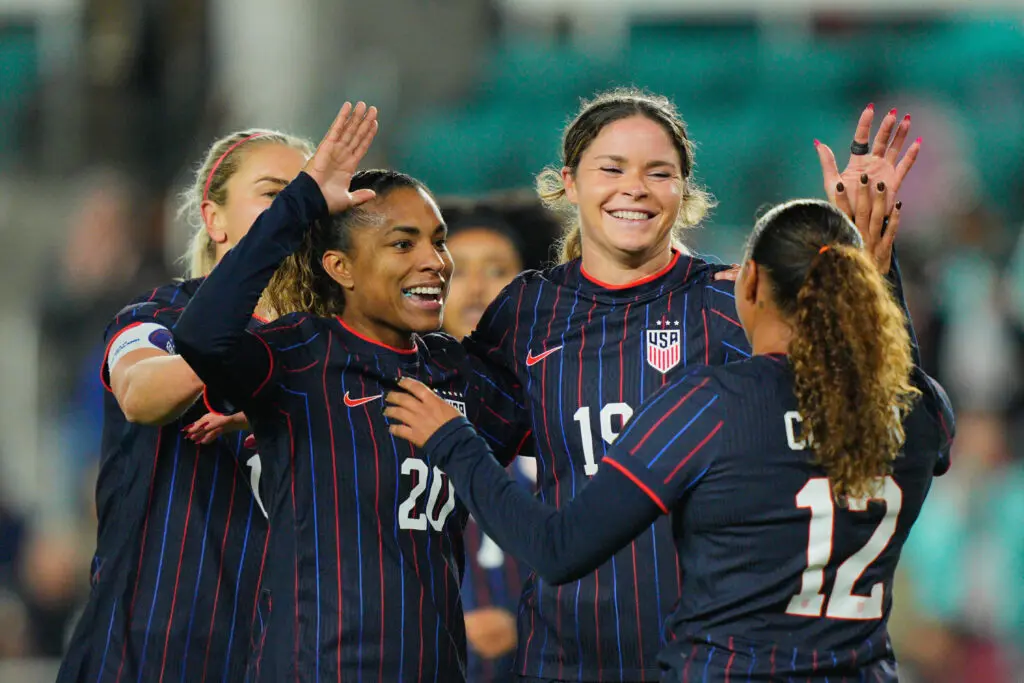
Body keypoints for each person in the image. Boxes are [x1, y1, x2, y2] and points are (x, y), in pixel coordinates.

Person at [445, 88, 920, 682]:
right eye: (612, 168)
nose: (635, 187)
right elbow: (473, 458)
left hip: (711, 659)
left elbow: (876, 393)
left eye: (658, 172)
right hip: (565, 658)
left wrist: (867, 259)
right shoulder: (526, 310)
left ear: (685, 187)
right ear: (569, 182)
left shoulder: (734, 302)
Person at [171, 102, 530, 682]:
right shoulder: (298, 354)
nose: (435, 262)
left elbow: (557, 423)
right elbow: (201, 336)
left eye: (438, 243)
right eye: (402, 244)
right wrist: (302, 200)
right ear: (340, 266)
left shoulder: (456, 371)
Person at [57, 128, 312, 682]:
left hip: (288, 654)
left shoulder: (332, 347)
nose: (296, 213)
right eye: (275, 195)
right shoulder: (158, 315)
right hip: (150, 653)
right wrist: (242, 369)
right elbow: (142, 395)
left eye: (308, 196)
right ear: (214, 219)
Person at [440, 201, 531, 683]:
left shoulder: (563, 405)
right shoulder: (388, 402)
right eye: (456, 271)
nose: (476, 288)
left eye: (496, 270)